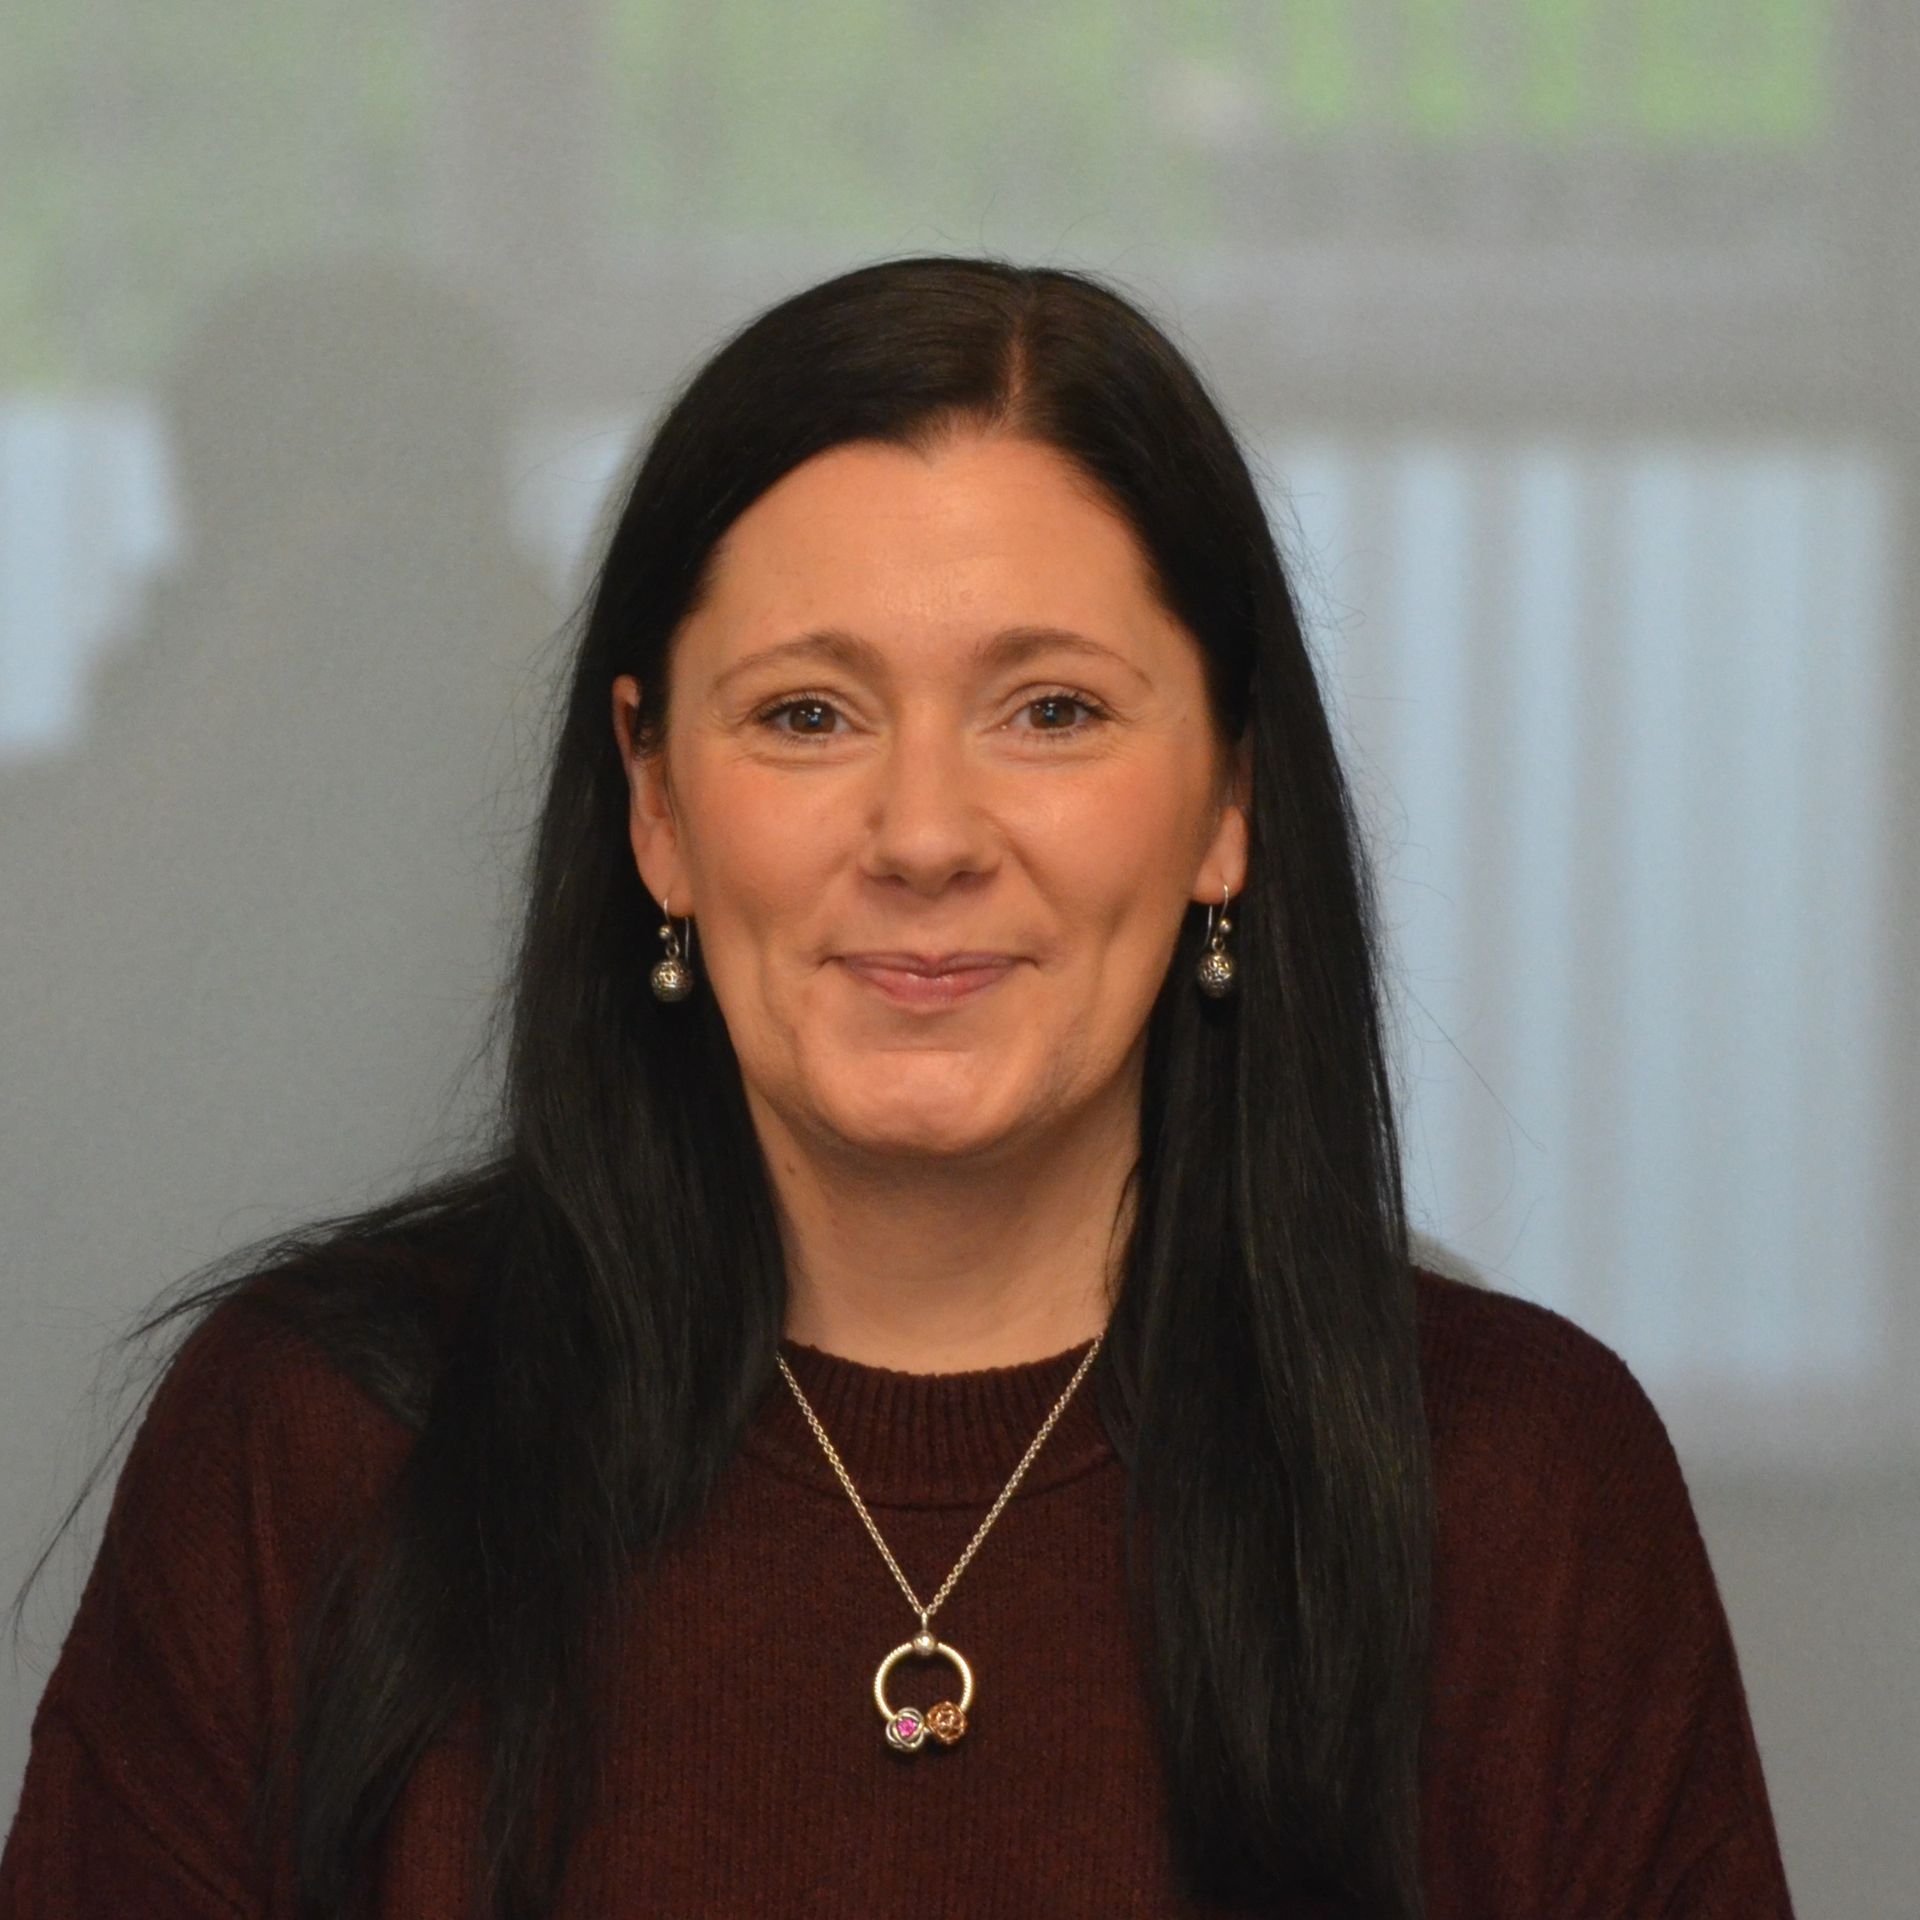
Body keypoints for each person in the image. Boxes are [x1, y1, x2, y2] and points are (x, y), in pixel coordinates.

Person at [0, 256, 1795, 1918]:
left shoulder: (1518, 1486)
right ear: (656, 805)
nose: (926, 835)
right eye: (806, 715)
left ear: (1229, 801)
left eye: (1055, 712)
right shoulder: (317, 1449)